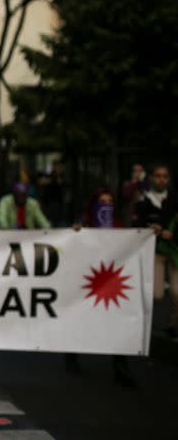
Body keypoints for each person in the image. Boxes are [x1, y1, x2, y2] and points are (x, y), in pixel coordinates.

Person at [69, 188, 135, 388]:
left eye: (110, 202)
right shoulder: (85, 225)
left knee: (118, 322)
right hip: (88, 281)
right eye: (102, 201)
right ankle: (71, 354)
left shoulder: (118, 226)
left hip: (110, 282)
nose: (106, 205)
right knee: (82, 319)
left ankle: (120, 367)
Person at [133, 164, 178, 339]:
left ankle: (173, 325)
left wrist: (172, 233)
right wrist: (149, 227)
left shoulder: (175, 198)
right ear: (151, 177)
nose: (161, 179)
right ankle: (141, 321)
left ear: (169, 179)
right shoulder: (144, 200)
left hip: (174, 250)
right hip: (155, 250)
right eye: (158, 176)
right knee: (157, 294)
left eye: (165, 176)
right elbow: (136, 225)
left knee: (177, 291)